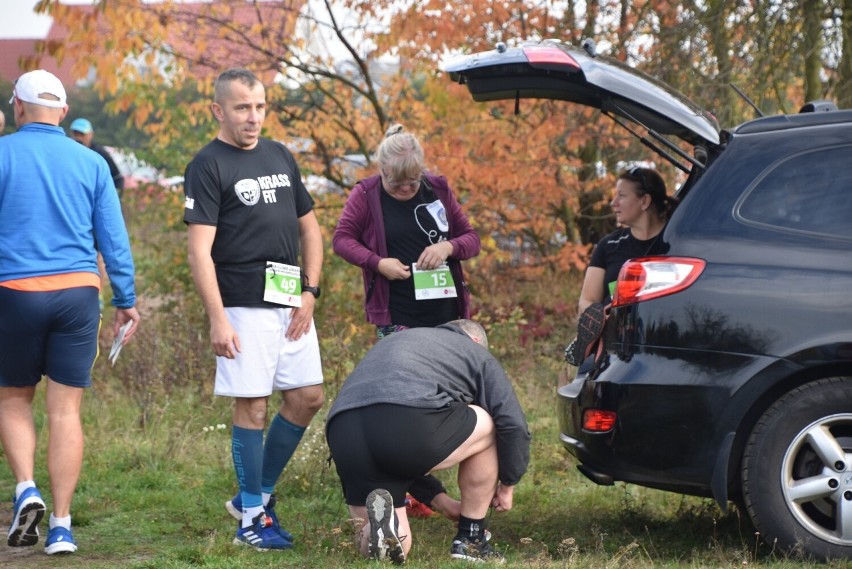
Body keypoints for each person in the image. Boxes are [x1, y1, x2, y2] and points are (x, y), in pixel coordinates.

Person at [0, 69, 140, 555]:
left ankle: (26, 488)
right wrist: (125, 298)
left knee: (14, 400)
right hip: (78, 294)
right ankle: (61, 526)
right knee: (65, 411)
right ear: (62, 113)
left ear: (18, 108)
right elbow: (113, 239)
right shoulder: (92, 162)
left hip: (14, 291)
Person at [183, 68, 324, 551]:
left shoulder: (280, 154)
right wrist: (217, 317)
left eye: (260, 106)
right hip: (242, 304)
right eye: (243, 107)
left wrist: (311, 290)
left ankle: (255, 499)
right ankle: (250, 520)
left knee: (308, 397)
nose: (254, 117)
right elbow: (199, 251)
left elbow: (310, 229)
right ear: (219, 111)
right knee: (254, 405)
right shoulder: (207, 164)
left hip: (292, 303)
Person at [332, 124, 481, 520]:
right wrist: (377, 263)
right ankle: (415, 492)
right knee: (403, 408)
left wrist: (448, 247)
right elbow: (342, 240)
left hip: (447, 315)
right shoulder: (365, 195)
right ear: (381, 173)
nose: (405, 190)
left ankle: (457, 494)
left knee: (455, 404)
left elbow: (472, 238)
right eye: (397, 184)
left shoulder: (438, 188)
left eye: (412, 182)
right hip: (396, 316)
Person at [326, 319, 531, 564]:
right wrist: (508, 484)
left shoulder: (398, 340)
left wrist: (441, 502)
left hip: (343, 430)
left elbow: (397, 450)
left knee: (391, 542)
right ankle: (471, 539)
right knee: (489, 424)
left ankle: (379, 532)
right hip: (408, 421)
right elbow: (513, 424)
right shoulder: (475, 352)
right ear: (476, 341)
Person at [566, 166, 676, 366]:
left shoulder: (676, 244)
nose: (613, 203)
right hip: (612, 348)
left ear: (645, 201)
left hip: (663, 345)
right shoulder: (608, 246)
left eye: (622, 196)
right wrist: (604, 323)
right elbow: (587, 300)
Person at [69, 117, 125, 197]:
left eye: (82, 134)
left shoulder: (100, 154)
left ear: (91, 134)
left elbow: (117, 179)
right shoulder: (67, 153)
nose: (79, 137)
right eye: (76, 134)